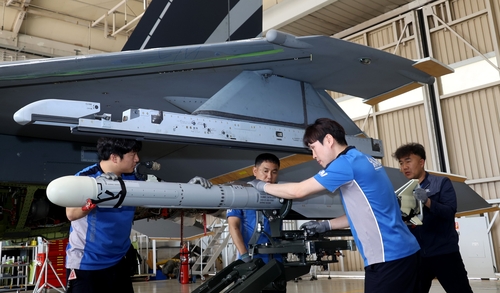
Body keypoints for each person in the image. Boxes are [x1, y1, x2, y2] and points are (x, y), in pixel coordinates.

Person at [250, 118, 420, 293]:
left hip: (389, 257)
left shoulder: (345, 163)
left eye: (314, 148)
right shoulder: (363, 159)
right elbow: (367, 212)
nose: (314, 156)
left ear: (329, 140)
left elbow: (298, 191)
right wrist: (326, 225)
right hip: (405, 253)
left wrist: (262, 185)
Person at [65, 137, 212, 293]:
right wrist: (97, 192)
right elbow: (71, 214)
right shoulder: (85, 178)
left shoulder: (134, 177)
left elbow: (167, 193)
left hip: (118, 262)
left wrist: (191, 188)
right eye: (132, 154)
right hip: (87, 263)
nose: (137, 159)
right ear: (114, 157)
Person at [393, 142, 473, 293]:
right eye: (401, 163)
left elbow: (449, 212)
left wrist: (428, 201)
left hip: (444, 254)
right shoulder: (404, 191)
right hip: (417, 256)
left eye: (408, 161)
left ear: (421, 162)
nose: (404, 167)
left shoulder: (441, 183)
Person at [227, 153, 285, 291]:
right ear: (255, 171)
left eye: (274, 172)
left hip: (276, 262)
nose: (269, 177)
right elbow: (233, 226)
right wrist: (245, 256)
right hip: (251, 260)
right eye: (265, 171)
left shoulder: (281, 196)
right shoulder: (242, 195)